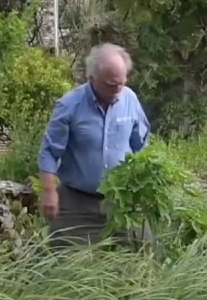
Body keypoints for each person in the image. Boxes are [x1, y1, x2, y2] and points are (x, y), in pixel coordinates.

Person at [37, 43, 150, 246]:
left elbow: (140, 147)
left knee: (140, 258)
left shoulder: (130, 100)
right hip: (77, 204)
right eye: (109, 84)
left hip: (121, 202)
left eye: (121, 83)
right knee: (67, 267)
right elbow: (49, 152)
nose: (117, 90)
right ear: (92, 78)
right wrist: (49, 191)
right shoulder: (69, 105)